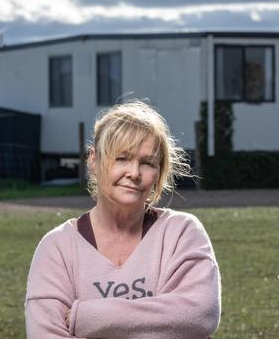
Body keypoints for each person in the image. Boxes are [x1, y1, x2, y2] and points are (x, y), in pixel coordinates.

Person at [25, 100, 221, 338]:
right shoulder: (57, 248)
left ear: (159, 172)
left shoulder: (182, 233)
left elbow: (199, 314)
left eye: (147, 163)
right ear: (94, 160)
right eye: (122, 158)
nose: (134, 173)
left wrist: (88, 318)